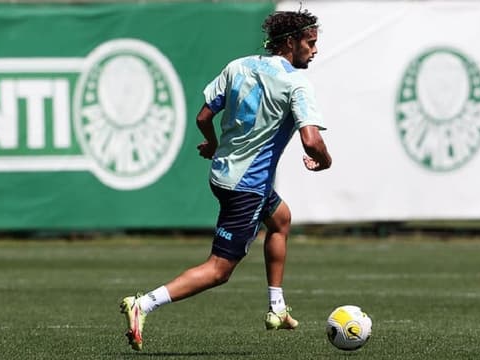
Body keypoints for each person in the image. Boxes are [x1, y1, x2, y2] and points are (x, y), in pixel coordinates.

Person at [119, 8, 332, 351]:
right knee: (219, 270)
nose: (315, 50)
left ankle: (277, 307)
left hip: (224, 174)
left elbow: (204, 116)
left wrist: (215, 143)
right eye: (310, 43)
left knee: (281, 219)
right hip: (246, 185)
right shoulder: (296, 83)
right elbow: (311, 140)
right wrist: (324, 160)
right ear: (290, 42)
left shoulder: (238, 66)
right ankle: (142, 304)